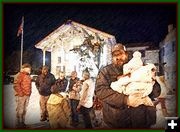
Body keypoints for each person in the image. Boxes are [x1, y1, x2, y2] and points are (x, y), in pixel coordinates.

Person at [95, 43, 161, 128]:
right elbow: (100, 91)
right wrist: (126, 100)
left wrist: (152, 81)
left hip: (141, 119)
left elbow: (156, 93)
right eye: (115, 55)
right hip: (116, 122)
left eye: (120, 54)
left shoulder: (140, 68)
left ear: (126, 54)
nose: (118, 57)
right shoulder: (105, 71)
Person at [13, 63, 32, 128]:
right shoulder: (20, 75)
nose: (30, 69)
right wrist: (21, 94)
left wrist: (29, 93)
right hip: (21, 96)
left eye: (30, 68)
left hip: (26, 95)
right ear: (24, 68)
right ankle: (18, 124)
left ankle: (22, 123)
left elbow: (29, 85)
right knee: (20, 110)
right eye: (28, 68)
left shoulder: (28, 75)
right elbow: (16, 85)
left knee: (24, 110)